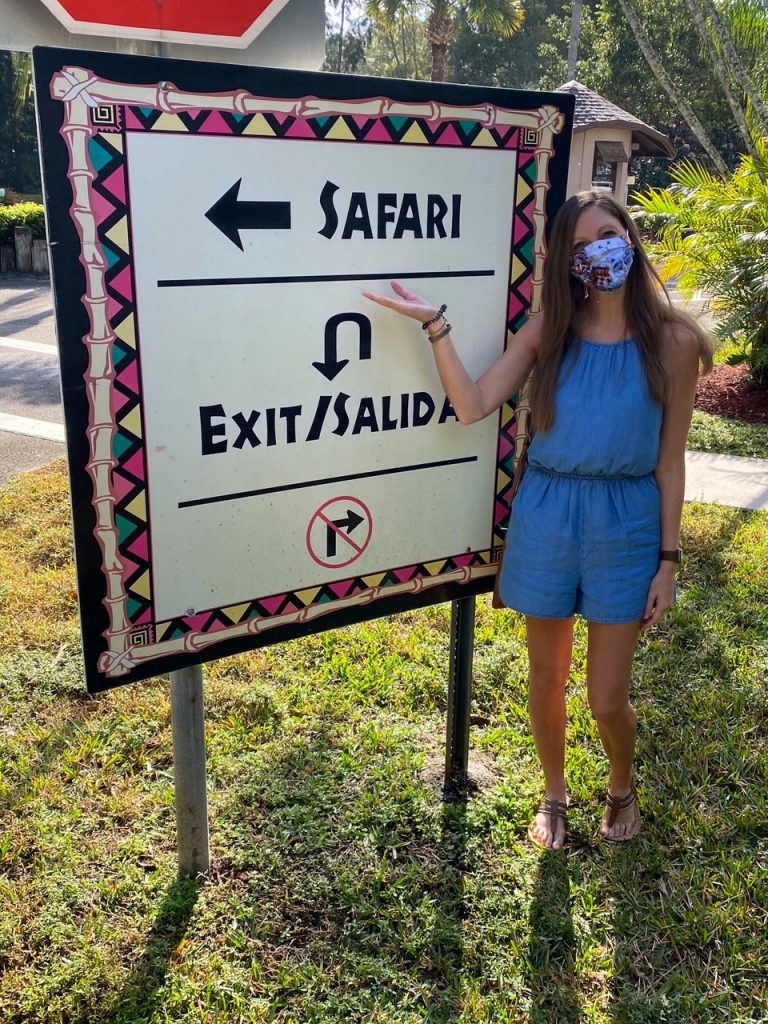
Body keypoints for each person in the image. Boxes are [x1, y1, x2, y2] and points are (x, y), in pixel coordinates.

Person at [364, 189, 713, 849]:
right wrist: (434, 324)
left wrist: (669, 560)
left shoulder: (672, 342)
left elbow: (671, 463)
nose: (596, 254)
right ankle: (553, 794)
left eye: (606, 235)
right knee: (546, 677)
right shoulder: (549, 330)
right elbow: (472, 404)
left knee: (608, 697)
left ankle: (621, 781)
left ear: (630, 238)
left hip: (627, 522)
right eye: (579, 247)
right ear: (566, 262)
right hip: (547, 514)